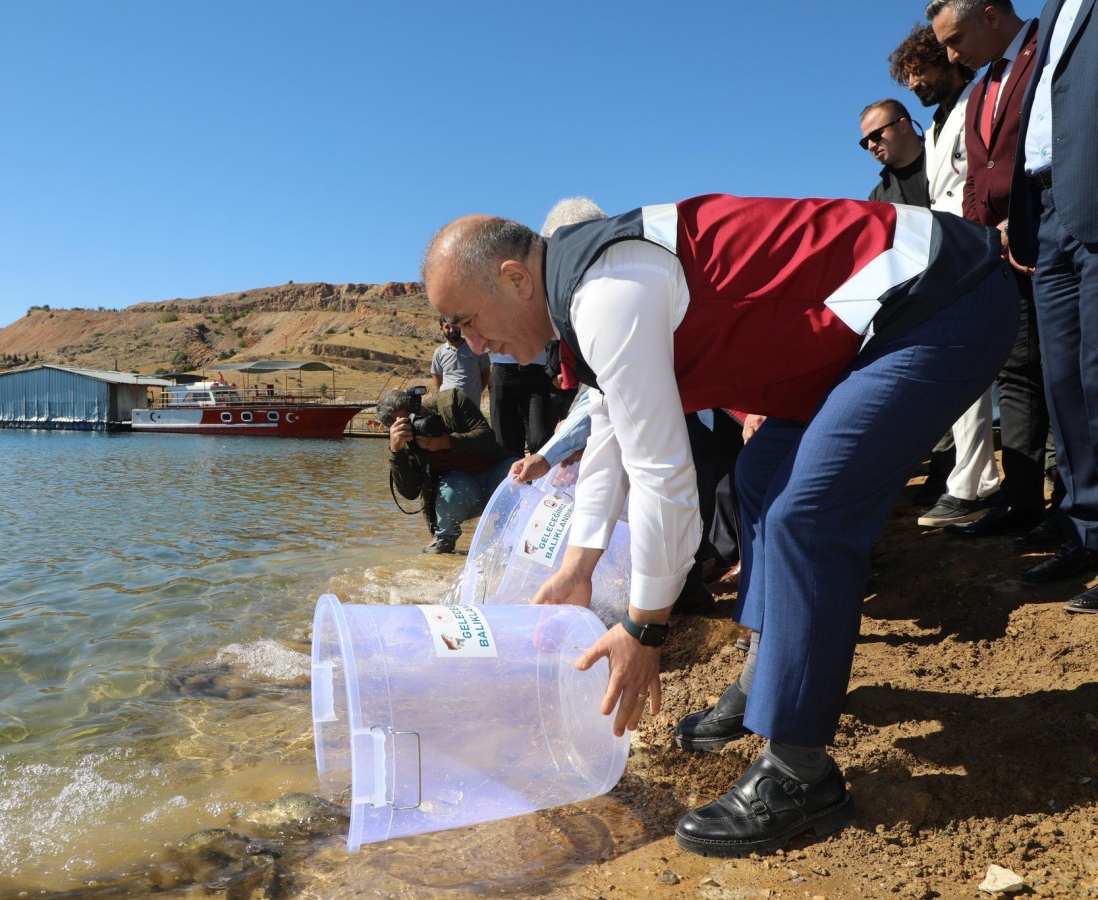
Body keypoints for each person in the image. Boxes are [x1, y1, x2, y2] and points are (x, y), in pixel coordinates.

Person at [421, 195, 1018, 857]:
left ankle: (799, 772)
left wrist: (645, 625)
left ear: (513, 278)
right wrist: (577, 567)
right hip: (863, 335)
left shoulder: (605, 293)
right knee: (760, 476)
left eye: (466, 323)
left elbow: (660, 473)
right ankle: (770, 675)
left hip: (941, 299)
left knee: (806, 517)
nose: (473, 347)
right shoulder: (583, 288)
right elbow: (610, 441)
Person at [929, 0, 1052, 538]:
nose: (952, 55)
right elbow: (978, 174)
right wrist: (987, 235)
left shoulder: (1050, 48)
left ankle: (1075, 502)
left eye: (955, 40)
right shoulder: (979, 90)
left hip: (1052, 229)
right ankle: (1023, 502)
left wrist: (1023, 221)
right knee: (1018, 373)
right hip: (1003, 249)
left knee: (1070, 370)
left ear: (991, 15)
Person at [888, 24, 1003, 528]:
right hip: (956, 257)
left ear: (950, 58)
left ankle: (976, 483)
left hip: (986, 247)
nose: (914, 84)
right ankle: (968, 479)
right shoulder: (937, 126)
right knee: (964, 374)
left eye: (921, 70)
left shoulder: (979, 102)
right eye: (909, 77)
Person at [1007, 0, 1098, 611]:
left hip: (1090, 194)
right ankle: (1087, 533)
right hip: (1046, 208)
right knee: (1063, 379)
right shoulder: (1049, 12)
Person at [379, 386, 514, 555]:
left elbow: (487, 438)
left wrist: (448, 442)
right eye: (408, 423)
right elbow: (410, 492)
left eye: (416, 414)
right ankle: (445, 539)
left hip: (493, 470)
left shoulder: (452, 401)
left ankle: (506, 536)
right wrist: (396, 451)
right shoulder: (404, 442)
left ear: (417, 403)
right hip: (462, 489)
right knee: (451, 491)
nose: (418, 421)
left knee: (519, 474)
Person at [859, 99, 931, 206]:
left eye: (876, 135)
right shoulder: (877, 198)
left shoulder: (948, 155)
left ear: (903, 126)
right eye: (865, 142)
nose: (871, 146)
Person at [488, 351, 554, 458]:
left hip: (535, 372)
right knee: (503, 440)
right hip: (503, 371)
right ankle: (509, 473)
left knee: (541, 438)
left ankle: (540, 472)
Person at [431, 317, 490, 408]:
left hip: (472, 407)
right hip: (448, 408)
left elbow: (486, 373)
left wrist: (475, 392)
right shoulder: (439, 352)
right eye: (447, 327)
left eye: (454, 326)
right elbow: (437, 379)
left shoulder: (476, 347)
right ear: (441, 329)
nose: (452, 330)